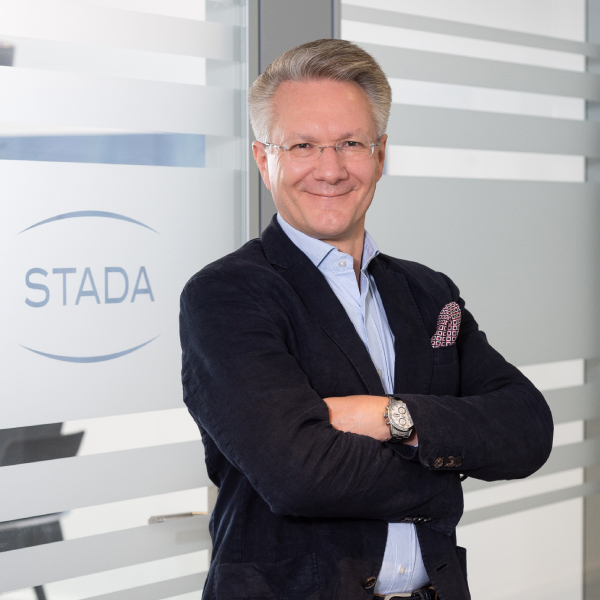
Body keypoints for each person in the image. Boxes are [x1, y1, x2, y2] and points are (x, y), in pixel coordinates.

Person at [179, 39, 553, 600]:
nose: (330, 169)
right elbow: (298, 477)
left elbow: (527, 428)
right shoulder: (226, 295)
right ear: (264, 159)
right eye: (303, 145)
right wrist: (446, 473)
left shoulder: (429, 294)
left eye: (351, 143)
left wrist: (390, 416)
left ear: (380, 155)